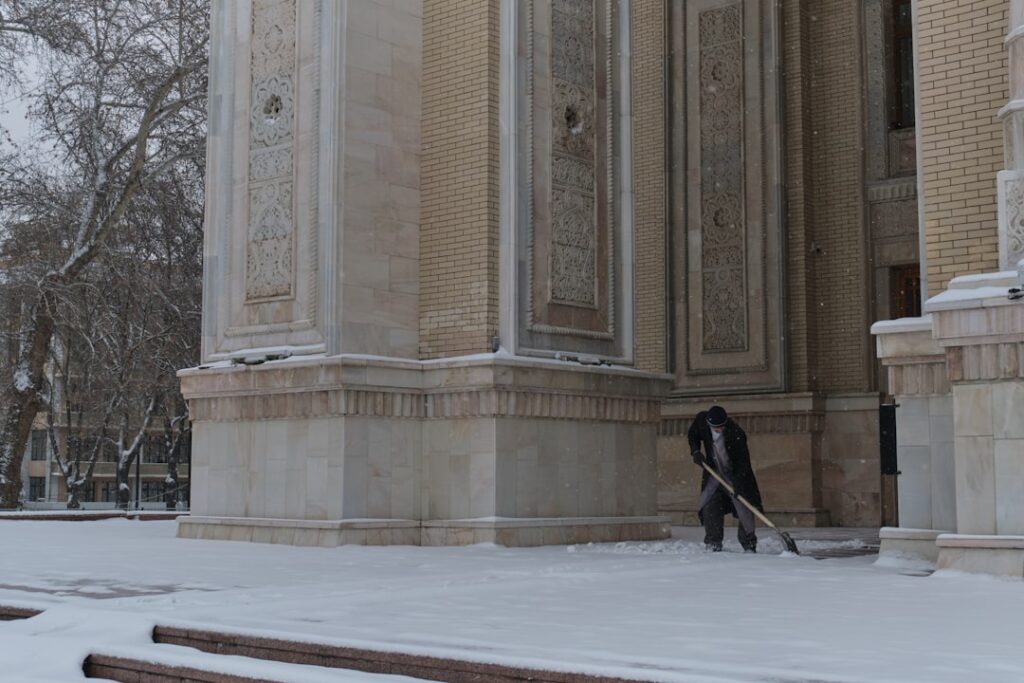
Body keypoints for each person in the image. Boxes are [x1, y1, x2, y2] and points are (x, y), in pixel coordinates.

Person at [687, 405, 764, 552]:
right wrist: (695, 451)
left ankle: (748, 543)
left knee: (744, 508)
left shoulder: (736, 434)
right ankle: (713, 542)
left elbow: (743, 463)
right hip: (714, 475)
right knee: (710, 505)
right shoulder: (702, 421)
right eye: (716, 428)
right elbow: (693, 434)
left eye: (722, 427)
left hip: (735, 475)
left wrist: (738, 484)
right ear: (709, 424)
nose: (720, 430)